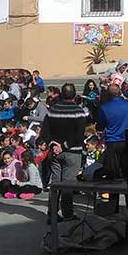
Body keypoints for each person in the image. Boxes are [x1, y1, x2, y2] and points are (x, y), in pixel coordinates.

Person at [41, 83, 89, 221]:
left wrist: (53, 144)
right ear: (74, 95)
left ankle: (52, 213)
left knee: (55, 184)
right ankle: (68, 213)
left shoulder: (53, 110)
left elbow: (45, 131)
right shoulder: (78, 111)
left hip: (55, 152)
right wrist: (64, 146)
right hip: (72, 152)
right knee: (68, 184)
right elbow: (79, 135)